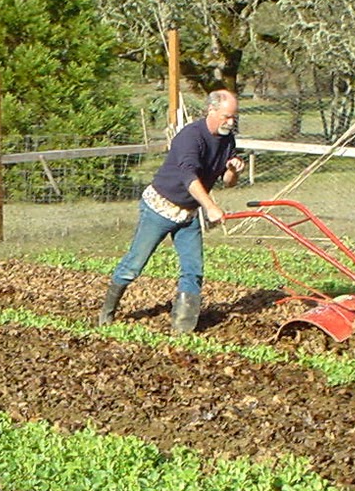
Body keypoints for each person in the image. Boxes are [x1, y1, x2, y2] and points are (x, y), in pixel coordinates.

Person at [98, 89, 246, 334]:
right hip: (160, 207)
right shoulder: (190, 137)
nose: (230, 122)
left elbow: (228, 181)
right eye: (226, 116)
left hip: (188, 214)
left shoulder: (227, 139)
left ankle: (182, 329)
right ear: (211, 111)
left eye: (234, 117)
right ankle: (107, 313)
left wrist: (234, 169)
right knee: (134, 264)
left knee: (193, 270)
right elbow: (188, 177)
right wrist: (210, 206)